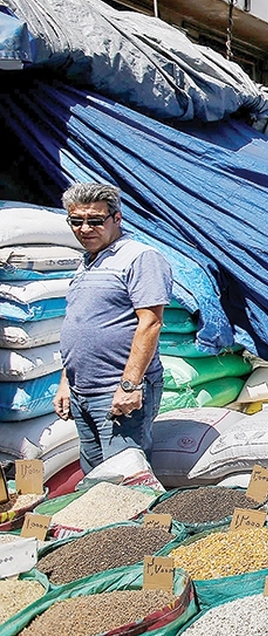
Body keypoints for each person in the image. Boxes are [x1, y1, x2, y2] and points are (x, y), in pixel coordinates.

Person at [52, 183, 172, 474]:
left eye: (95, 220)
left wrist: (129, 385)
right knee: (95, 477)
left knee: (125, 478)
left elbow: (150, 322)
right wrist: (66, 383)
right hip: (83, 393)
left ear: (117, 218)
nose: (85, 228)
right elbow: (79, 326)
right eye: (76, 221)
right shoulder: (86, 264)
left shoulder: (139, 257)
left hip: (116, 391)